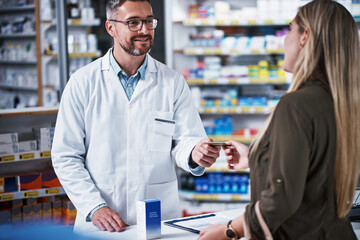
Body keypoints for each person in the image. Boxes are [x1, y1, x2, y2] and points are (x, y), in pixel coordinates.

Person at [51, 0, 221, 233]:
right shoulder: (83, 83)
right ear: (111, 28)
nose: (144, 30)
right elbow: (65, 156)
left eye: (149, 21)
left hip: (157, 219)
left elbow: (186, 140)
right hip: (102, 223)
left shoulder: (172, 82)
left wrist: (194, 153)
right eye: (133, 22)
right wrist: (94, 206)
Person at [198, 0, 360, 239]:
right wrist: (258, 157)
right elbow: (314, 168)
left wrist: (229, 230)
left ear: (305, 37)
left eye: (290, 29)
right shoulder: (342, 101)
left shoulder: (295, 105)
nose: (285, 39)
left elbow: (281, 200)